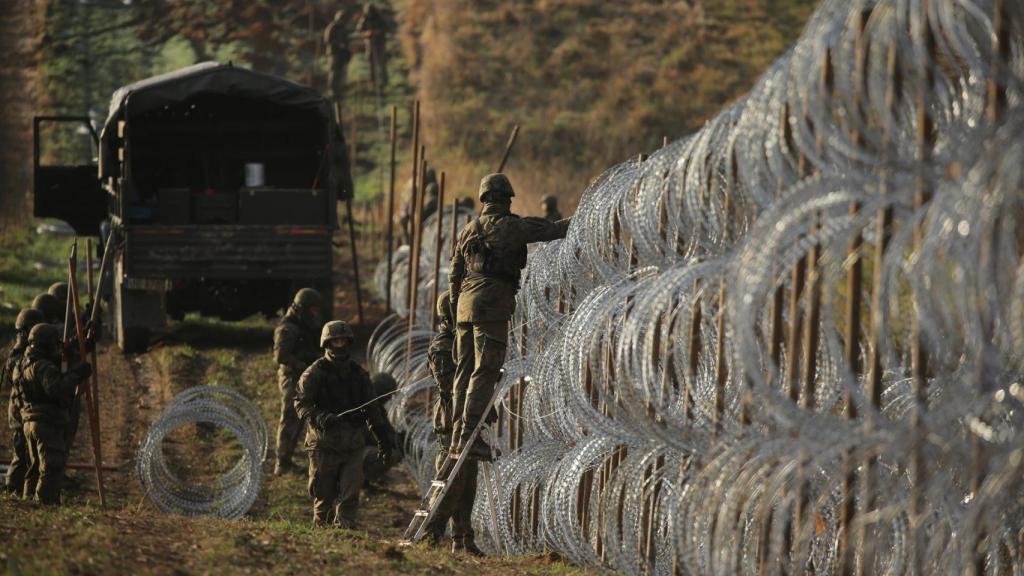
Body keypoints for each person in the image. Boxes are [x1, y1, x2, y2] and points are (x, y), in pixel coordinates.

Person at [448, 173, 570, 460]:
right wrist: (589, 214)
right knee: (486, 369)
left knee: (463, 373)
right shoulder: (512, 227)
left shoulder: (469, 230)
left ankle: (457, 435)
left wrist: (457, 312)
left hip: (465, 307)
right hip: (492, 304)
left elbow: (454, 275)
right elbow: (552, 230)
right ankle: (469, 437)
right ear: (506, 198)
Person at [294, 320, 393, 528]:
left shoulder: (359, 375)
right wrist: (321, 417)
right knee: (324, 499)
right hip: (323, 444)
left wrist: (383, 440)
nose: (339, 345)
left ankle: (346, 536)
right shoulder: (314, 374)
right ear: (327, 344)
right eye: (335, 341)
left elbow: (373, 410)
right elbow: (302, 404)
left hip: (352, 445)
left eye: (343, 341)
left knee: (349, 498)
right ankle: (323, 540)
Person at [424, 293, 482, 555]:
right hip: (451, 421)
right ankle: (430, 534)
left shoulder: (466, 343)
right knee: (450, 484)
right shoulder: (443, 346)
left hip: (468, 419)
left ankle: (463, 540)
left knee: (468, 486)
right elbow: (449, 384)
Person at [13, 323, 91, 504]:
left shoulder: (25, 362)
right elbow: (57, 388)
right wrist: (77, 374)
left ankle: (28, 503)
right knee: (52, 467)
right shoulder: (42, 366)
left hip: (30, 422)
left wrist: (74, 349)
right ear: (47, 345)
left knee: (34, 468)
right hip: (45, 423)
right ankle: (44, 505)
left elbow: (57, 363)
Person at [272, 288, 324, 476]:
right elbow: (281, 356)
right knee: (290, 418)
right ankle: (282, 462)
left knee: (302, 419)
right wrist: (304, 364)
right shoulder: (287, 328)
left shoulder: (304, 325)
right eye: (313, 309)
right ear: (302, 308)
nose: (315, 314)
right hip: (292, 377)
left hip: (304, 376)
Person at [3, 308, 45, 495]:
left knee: (26, 454)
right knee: (21, 454)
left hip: (22, 410)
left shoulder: (21, 351)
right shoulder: (20, 355)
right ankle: (12, 487)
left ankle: (17, 487)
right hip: (20, 412)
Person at [361, 372, 401, 487]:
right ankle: (361, 480)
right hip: (352, 452)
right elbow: (370, 436)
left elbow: (387, 429)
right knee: (391, 454)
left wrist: (398, 438)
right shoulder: (365, 406)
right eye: (388, 394)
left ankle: (364, 479)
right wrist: (392, 441)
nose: (390, 398)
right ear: (381, 391)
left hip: (360, 449)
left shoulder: (378, 408)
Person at [324, 9, 355, 102]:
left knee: (341, 73)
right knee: (333, 72)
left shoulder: (344, 28)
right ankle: (331, 92)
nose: (343, 21)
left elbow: (347, 40)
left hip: (342, 53)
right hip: (334, 53)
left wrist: (347, 48)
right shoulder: (332, 27)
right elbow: (327, 40)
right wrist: (338, 44)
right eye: (342, 19)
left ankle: (339, 92)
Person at [357, 3, 389, 92]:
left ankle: (384, 82)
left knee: (381, 63)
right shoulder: (364, 19)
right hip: (370, 44)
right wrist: (367, 33)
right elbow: (360, 30)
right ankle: (373, 83)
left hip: (380, 44)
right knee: (371, 64)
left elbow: (386, 28)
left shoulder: (379, 18)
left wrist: (377, 32)